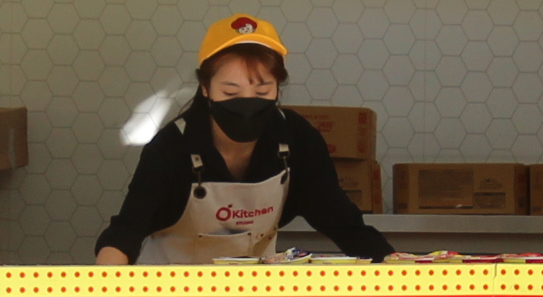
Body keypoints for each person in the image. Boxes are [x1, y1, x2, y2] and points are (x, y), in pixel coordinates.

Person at [95, 14, 393, 265]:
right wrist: (105, 292)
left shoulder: (295, 139)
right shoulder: (172, 147)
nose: (247, 105)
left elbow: (344, 224)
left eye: (262, 92)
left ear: (278, 89)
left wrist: (396, 267)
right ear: (205, 88)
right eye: (231, 92)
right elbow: (125, 232)